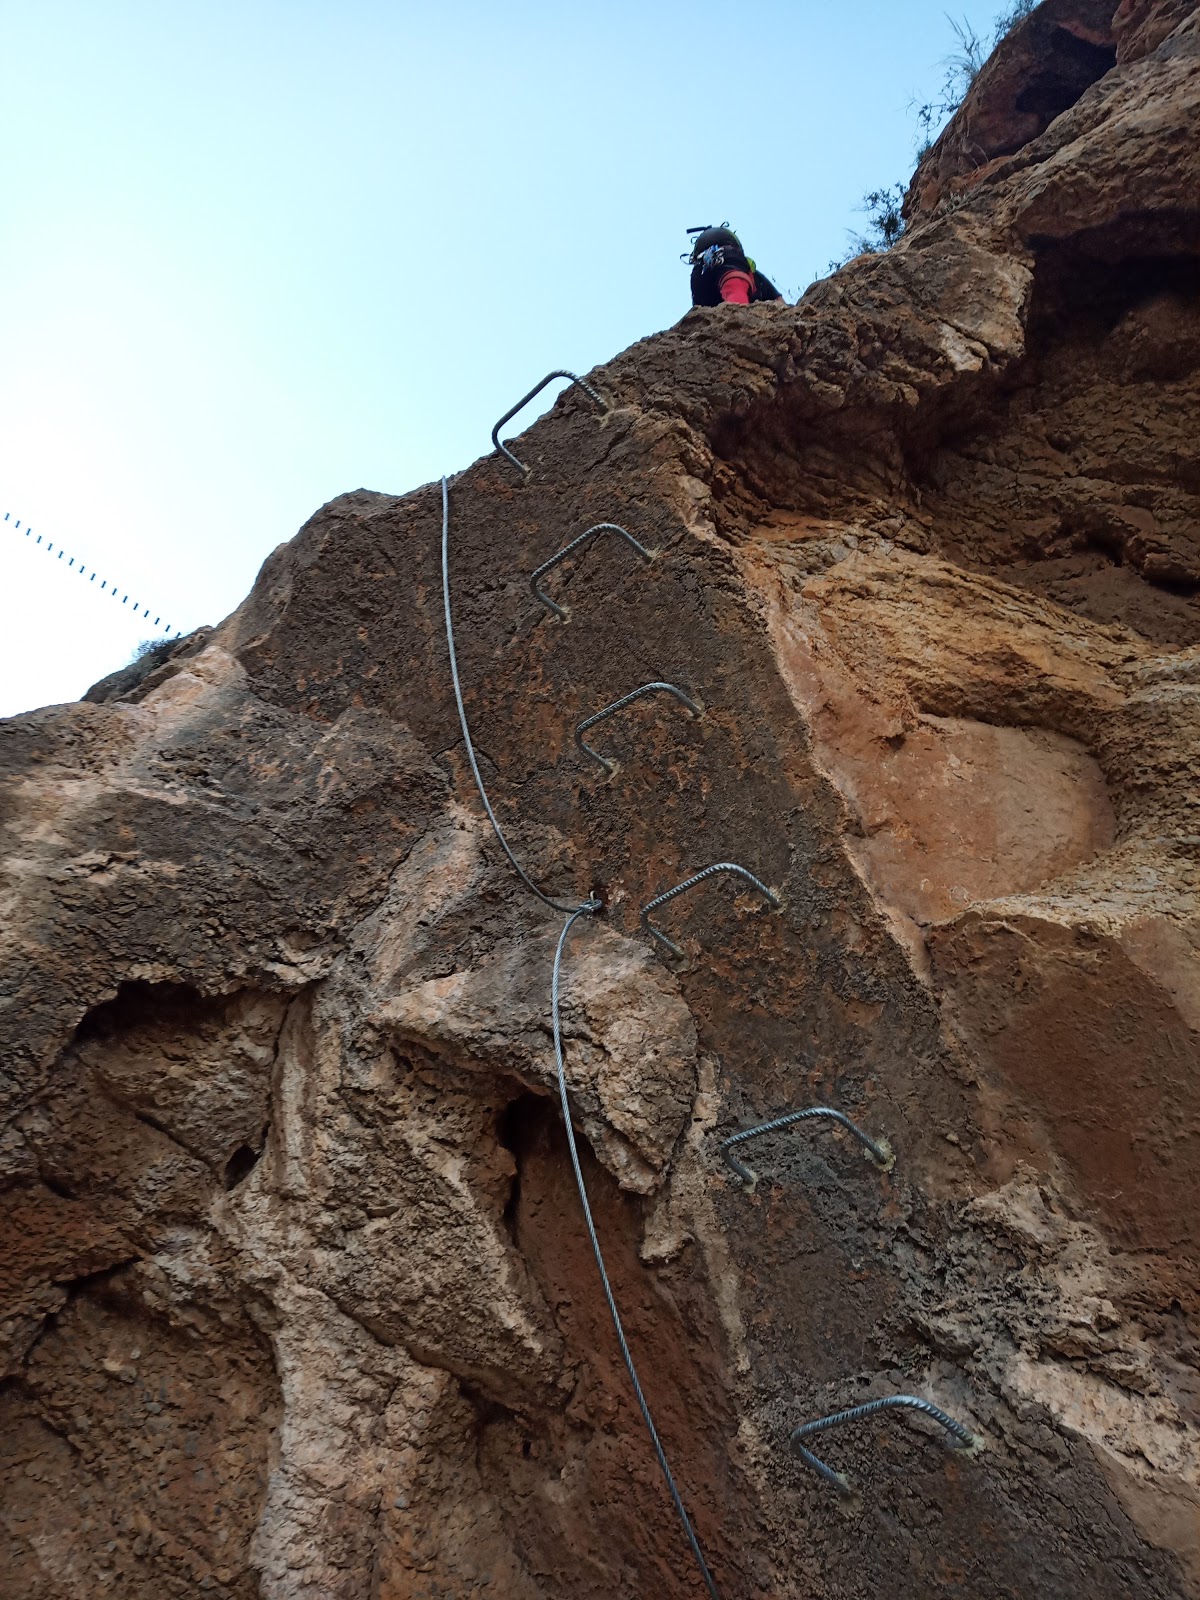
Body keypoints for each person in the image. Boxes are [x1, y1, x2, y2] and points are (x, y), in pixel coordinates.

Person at [687, 225, 783, 307]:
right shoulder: (756, 277)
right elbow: (780, 303)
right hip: (730, 263)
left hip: (701, 273)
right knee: (736, 299)